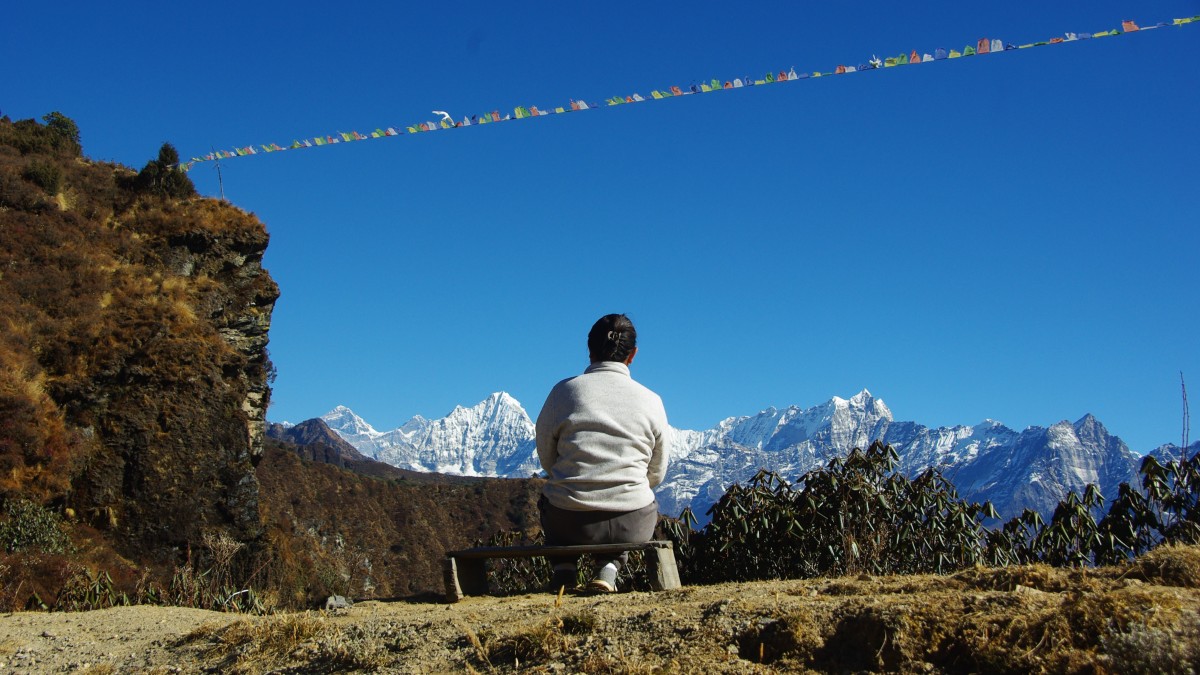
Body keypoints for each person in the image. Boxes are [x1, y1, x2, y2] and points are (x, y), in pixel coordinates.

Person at [535, 313, 670, 593]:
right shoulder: (652, 400)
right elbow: (656, 472)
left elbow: (547, 458)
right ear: (632, 355)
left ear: (589, 349)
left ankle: (564, 568)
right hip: (630, 521)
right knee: (646, 501)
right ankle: (608, 568)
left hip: (566, 520)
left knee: (550, 498)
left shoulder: (563, 392)